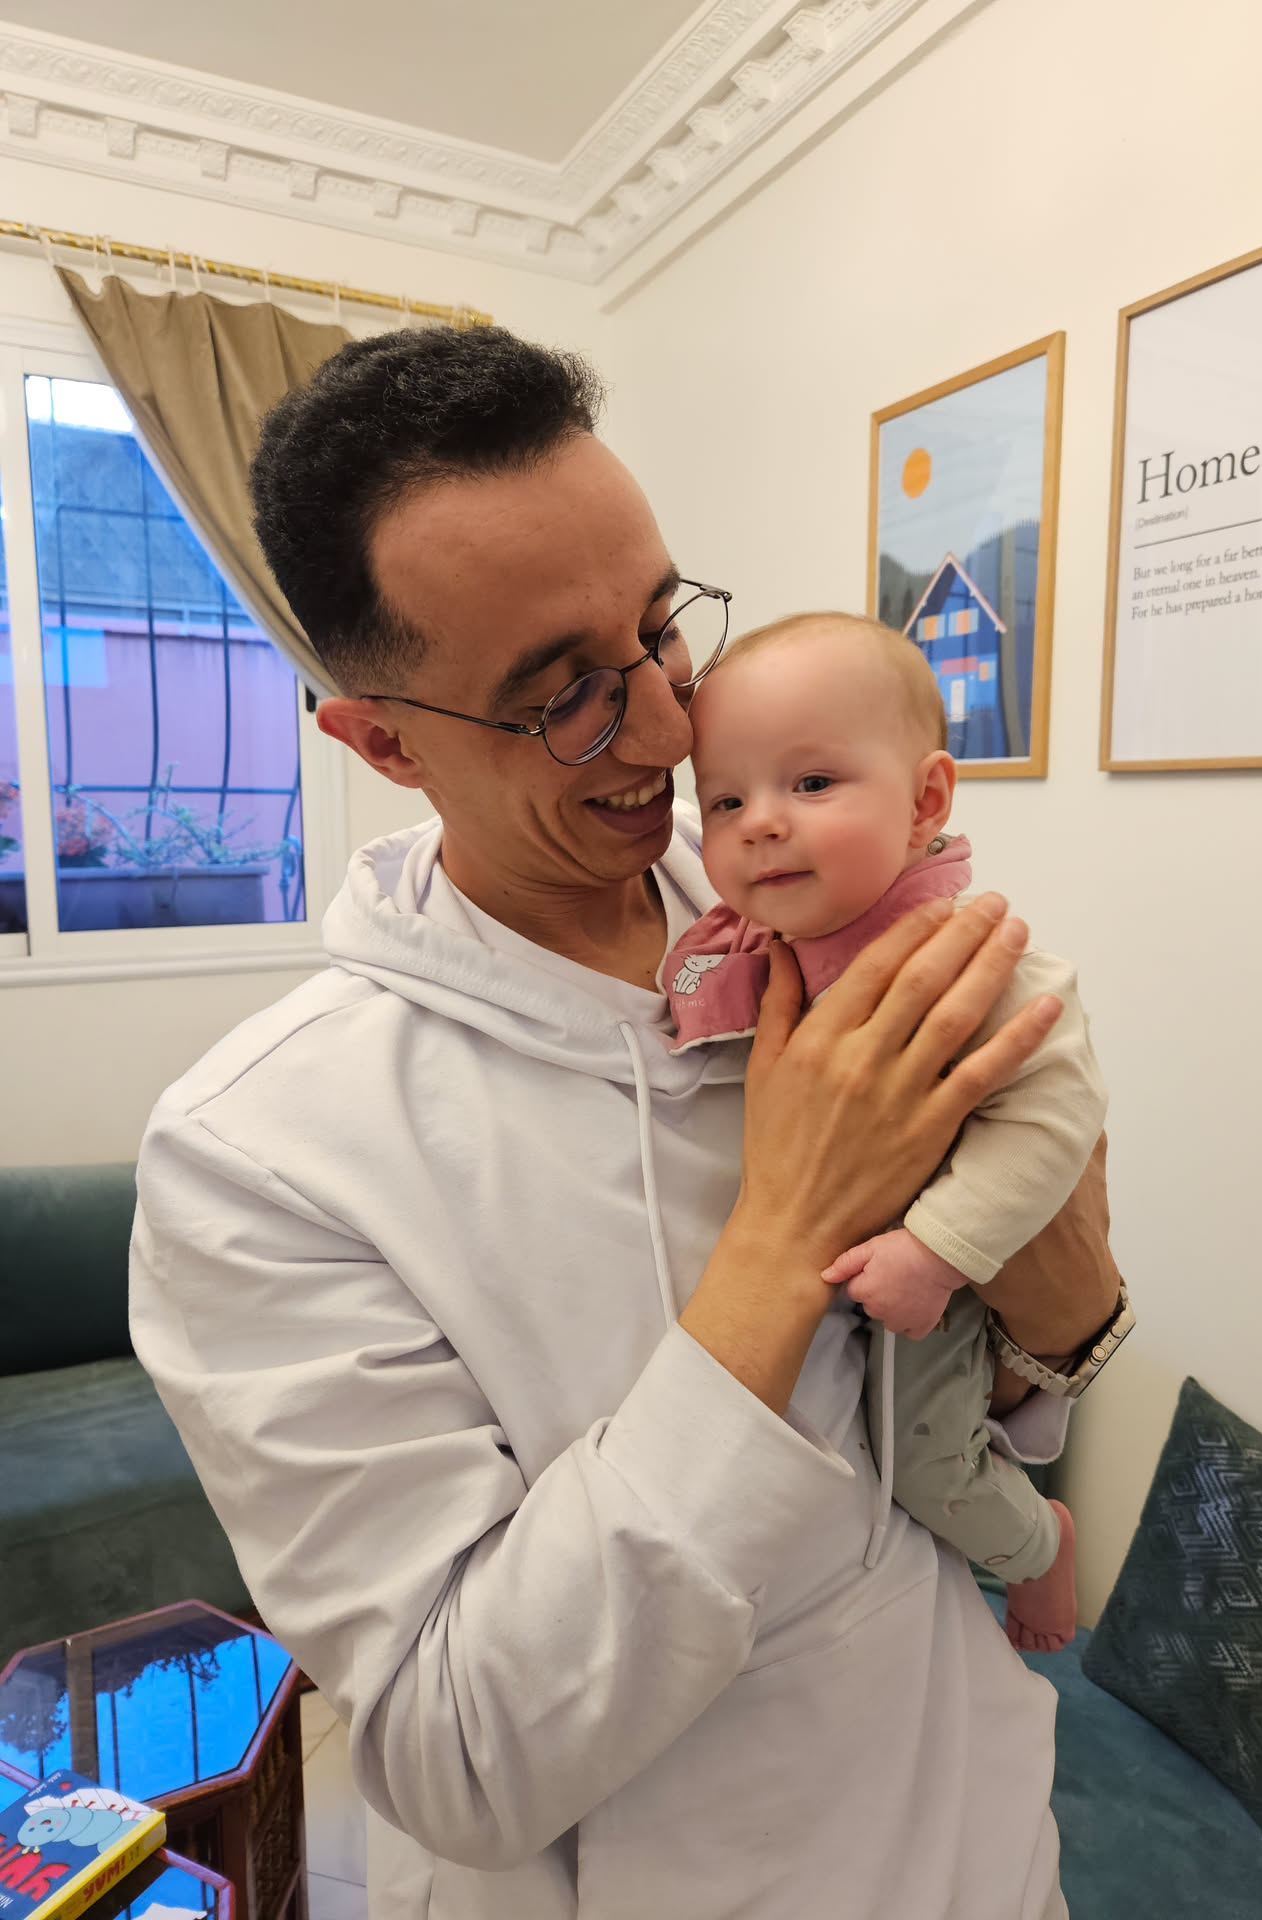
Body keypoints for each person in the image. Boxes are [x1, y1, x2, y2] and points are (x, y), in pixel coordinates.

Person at [128, 326, 1129, 1920]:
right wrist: (783, 1240)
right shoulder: (261, 1156)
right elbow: (460, 1756)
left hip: (986, 1842)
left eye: (662, 632)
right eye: (564, 699)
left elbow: (995, 1402)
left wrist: (1065, 1328)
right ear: (383, 739)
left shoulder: (817, 921)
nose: (669, 733)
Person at [663, 611, 1117, 1653]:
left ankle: (1038, 1545)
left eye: (812, 783)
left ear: (926, 802)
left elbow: (1055, 1116)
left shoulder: (970, 958)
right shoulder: (761, 946)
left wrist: (936, 1252)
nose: (760, 822)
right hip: (813, 1308)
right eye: (725, 800)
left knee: (923, 1462)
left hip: (935, 1280)